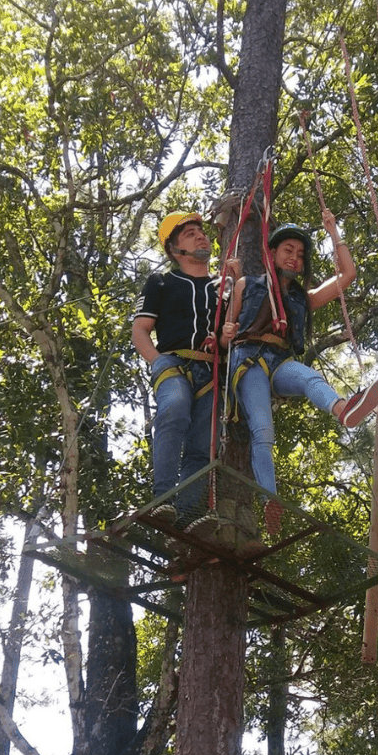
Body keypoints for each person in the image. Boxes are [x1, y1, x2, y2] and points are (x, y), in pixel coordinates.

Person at [222, 210, 378, 535]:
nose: (295, 258)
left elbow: (347, 274)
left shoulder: (303, 298)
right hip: (248, 360)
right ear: (272, 252)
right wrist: (227, 331)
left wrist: (333, 230)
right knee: (263, 431)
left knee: (311, 378)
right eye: (288, 251)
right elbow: (227, 327)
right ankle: (270, 500)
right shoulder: (246, 284)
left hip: (279, 362)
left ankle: (343, 410)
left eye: (299, 254)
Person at [132, 211, 237, 526]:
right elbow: (140, 331)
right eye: (190, 234)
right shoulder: (161, 282)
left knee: (202, 447)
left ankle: (188, 521)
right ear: (175, 249)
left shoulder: (223, 287)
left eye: (201, 232)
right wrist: (159, 362)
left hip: (211, 369)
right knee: (174, 407)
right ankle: (163, 498)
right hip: (173, 360)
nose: (200, 236)